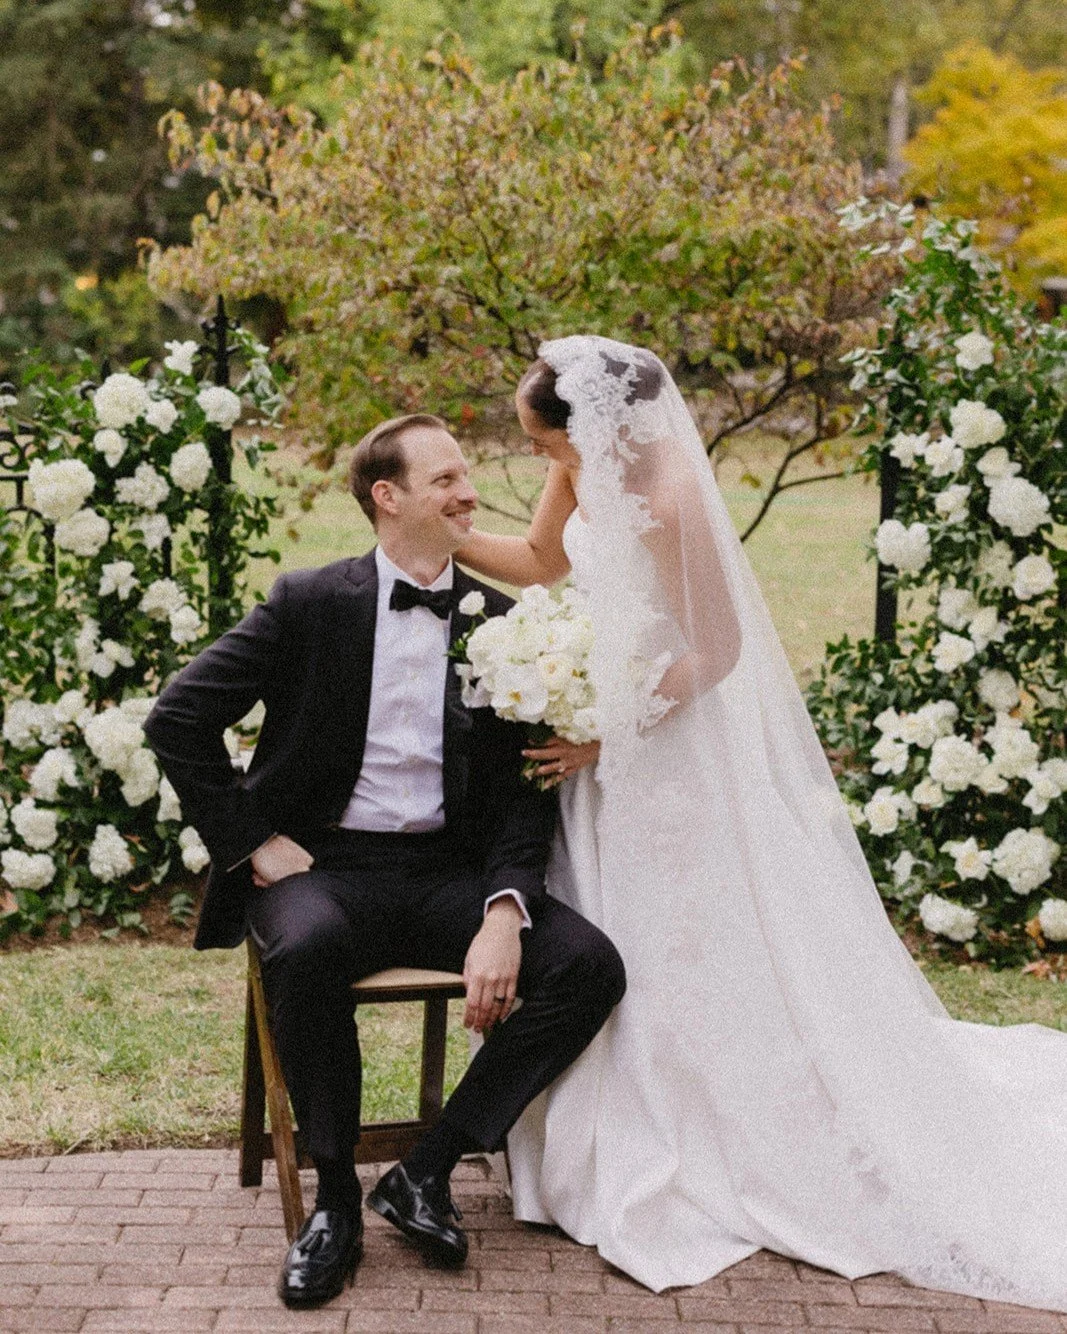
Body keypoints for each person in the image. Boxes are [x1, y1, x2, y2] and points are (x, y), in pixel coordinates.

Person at [453, 335, 1067, 1310]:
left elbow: (719, 649)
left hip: (660, 745)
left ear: (598, 433)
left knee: (687, 938)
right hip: (594, 739)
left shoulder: (668, 498)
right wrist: (425, 533)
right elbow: (534, 561)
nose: (544, 464)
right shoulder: (583, 467)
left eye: (548, 448)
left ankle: (707, 1127)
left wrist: (608, 731)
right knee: (600, 923)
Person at [144, 413, 626, 1310]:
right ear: (387, 496)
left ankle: (426, 1171)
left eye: (467, 474)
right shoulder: (308, 603)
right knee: (310, 946)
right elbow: (176, 718)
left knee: (588, 965)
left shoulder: (500, 621)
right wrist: (251, 840)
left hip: (449, 874)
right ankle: (333, 1200)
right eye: (444, 479)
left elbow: (525, 789)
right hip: (320, 870)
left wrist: (503, 911)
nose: (468, 492)